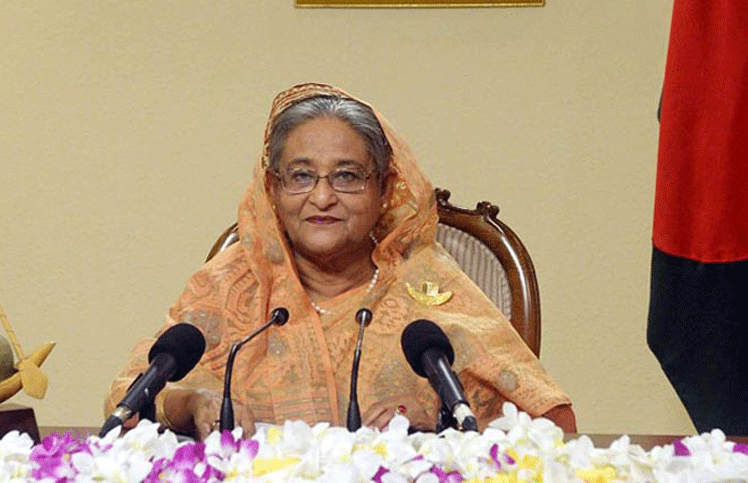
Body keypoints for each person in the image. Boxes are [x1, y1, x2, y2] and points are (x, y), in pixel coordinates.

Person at [105, 83, 575, 440]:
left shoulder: (427, 285)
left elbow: (552, 421)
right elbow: (125, 400)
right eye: (301, 176)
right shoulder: (231, 284)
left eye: (347, 176)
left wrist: (435, 427)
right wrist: (191, 405)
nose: (323, 197)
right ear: (272, 190)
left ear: (384, 189)